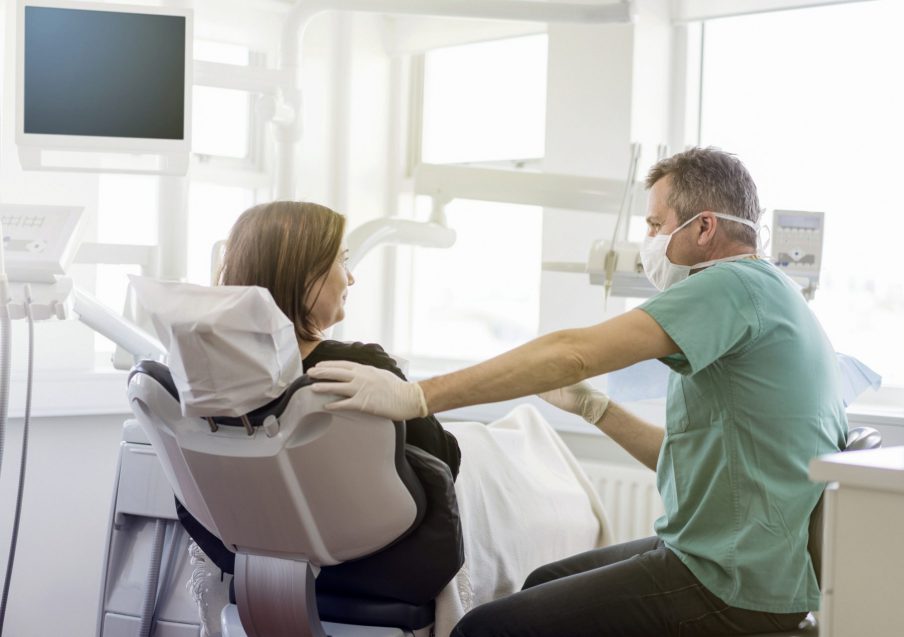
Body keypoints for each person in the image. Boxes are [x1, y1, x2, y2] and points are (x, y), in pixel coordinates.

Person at [306, 147, 849, 636]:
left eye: (656, 225)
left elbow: (573, 350)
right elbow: (684, 460)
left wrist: (418, 397)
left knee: (484, 631)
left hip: (730, 581)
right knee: (542, 578)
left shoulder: (730, 284)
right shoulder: (774, 293)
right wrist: (595, 408)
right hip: (746, 562)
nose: (648, 245)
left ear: (704, 227)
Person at [176, 200, 464, 607]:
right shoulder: (360, 367)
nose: (352, 277)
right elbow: (446, 462)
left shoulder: (201, 380)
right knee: (515, 446)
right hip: (379, 567)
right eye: (342, 261)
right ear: (305, 277)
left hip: (249, 561)